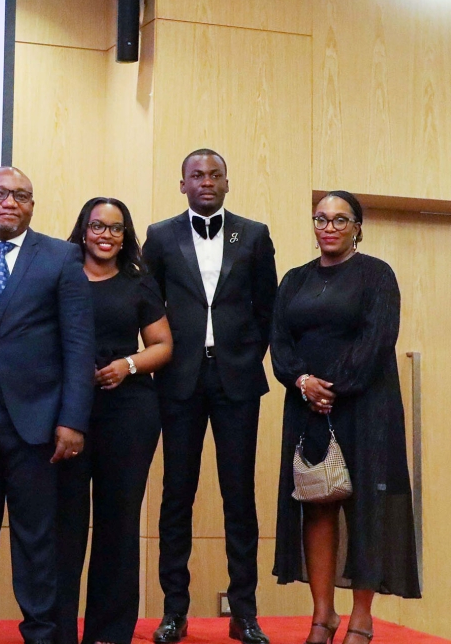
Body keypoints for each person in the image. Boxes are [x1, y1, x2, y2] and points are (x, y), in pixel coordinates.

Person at [0, 167, 94, 644]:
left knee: (35, 537)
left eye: (21, 195)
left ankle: (41, 632)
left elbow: (79, 343)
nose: (10, 202)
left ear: (32, 205)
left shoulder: (63, 258)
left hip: (39, 424)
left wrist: (72, 419)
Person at [270, 191, 421, 644]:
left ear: (358, 226)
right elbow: (278, 342)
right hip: (307, 407)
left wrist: (330, 387)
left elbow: (378, 340)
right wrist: (302, 382)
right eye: (321, 218)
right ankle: (322, 617)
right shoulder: (294, 279)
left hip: (366, 408)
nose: (329, 227)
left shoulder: (376, 275)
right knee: (317, 504)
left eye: (340, 219)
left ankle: (360, 618)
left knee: (365, 509)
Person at [142, 149, 277, 644]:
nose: (206, 182)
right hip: (177, 380)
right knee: (177, 495)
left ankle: (244, 613)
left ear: (227, 181)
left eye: (215, 174)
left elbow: (268, 307)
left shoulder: (255, 234)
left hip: (237, 381)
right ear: (182, 184)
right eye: (196, 175)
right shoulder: (159, 235)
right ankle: (174, 612)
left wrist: (243, 355)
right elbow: (147, 304)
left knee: (239, 497)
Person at [55, 198, 173, 644]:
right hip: (69, 412)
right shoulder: (59, 275)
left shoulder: (138, 282)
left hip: (129, 412)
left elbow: (163, 345)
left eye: (116, 228)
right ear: (83, 230)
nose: (106, 235)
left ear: (126, 236)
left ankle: (108, 633)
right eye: (98, 226)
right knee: (64, 524)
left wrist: (129, 365)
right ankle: (60, 631)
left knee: (119, 523)